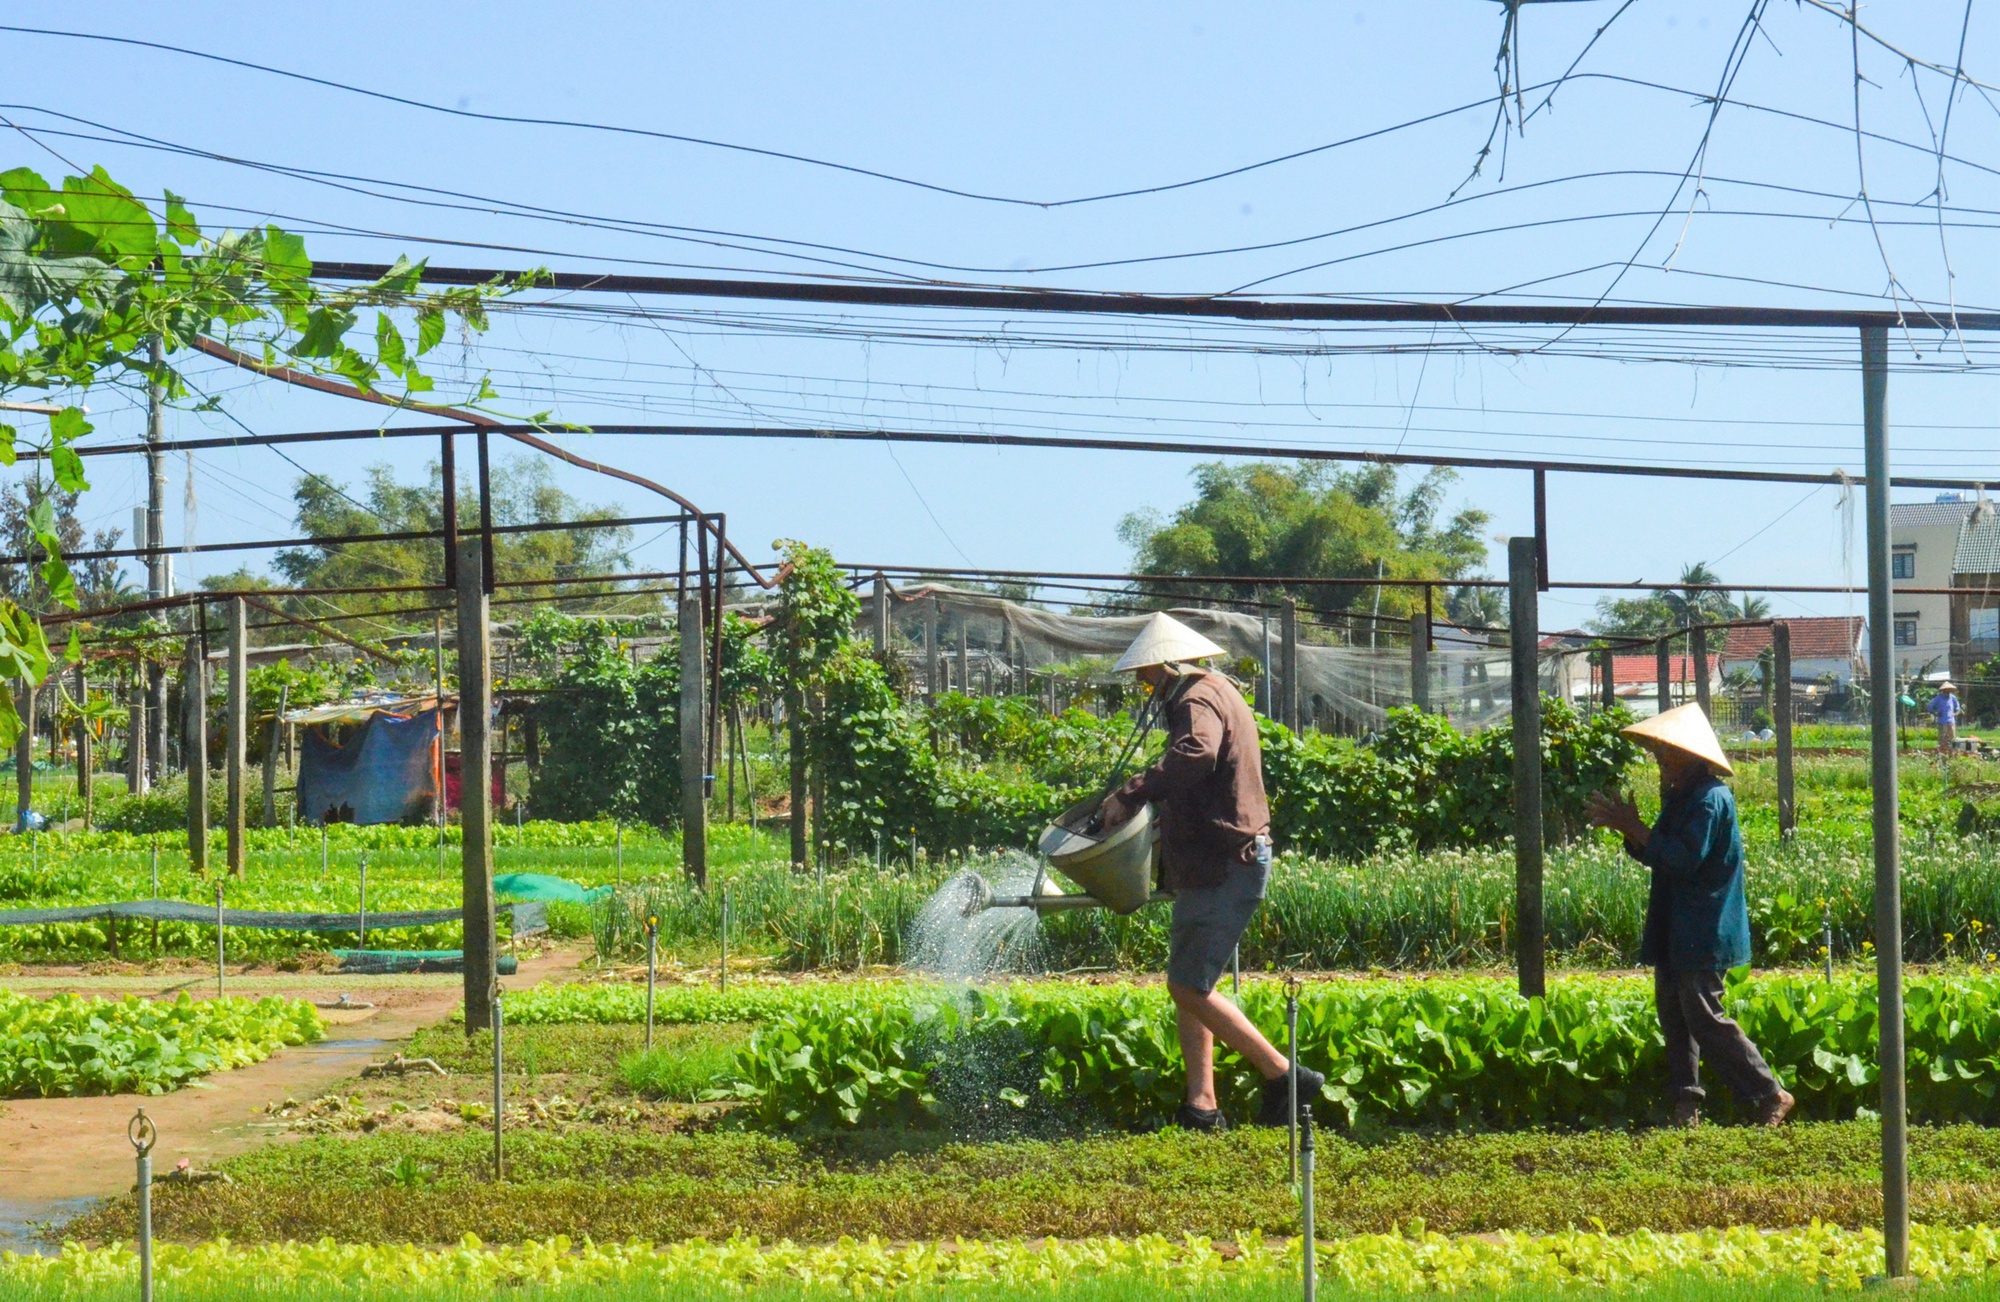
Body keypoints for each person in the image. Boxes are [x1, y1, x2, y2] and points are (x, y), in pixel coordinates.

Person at [1096, 612, 1323, 1131]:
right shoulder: (1218, 690)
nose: (1142, 685)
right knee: (1192, 981)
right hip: (1212, 860)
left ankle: (1285, 1076)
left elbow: (1196, 753)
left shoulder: (1196, 699)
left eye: (1146, 675)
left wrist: (1131, 795)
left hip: (1226, 860)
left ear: (1167, 667)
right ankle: (1201, 1105)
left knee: (1188, 987)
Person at [1585, 704, 1794, 1129]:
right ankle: (1686, 1103)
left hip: (1704, 925)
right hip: (1676, 924)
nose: (1660, 761)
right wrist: (1633, 831)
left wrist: (1635, 828)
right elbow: (1659, 854)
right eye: (1659, 753)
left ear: (1691, 755)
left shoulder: (1709, 800)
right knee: (1674, 1013)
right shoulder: (1682, 797)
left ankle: (1769, 1093)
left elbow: (1683, 861)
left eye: (1668, 753)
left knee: (1703, 1014)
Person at [1930, 682, 1961, 755]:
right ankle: (1942, 754)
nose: (1948, 691)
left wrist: (1955, 713)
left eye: (1949, 690)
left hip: (1951, 721)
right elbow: (1930, 706)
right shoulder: (1938, 698)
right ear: (1943, 690)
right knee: (1942, 738)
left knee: (1952, 738)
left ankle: (1952, 754)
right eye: (1946, 690)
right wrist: (1935, 712)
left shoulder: (1952, 697)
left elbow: (1957, 707)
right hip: (1942, 721)